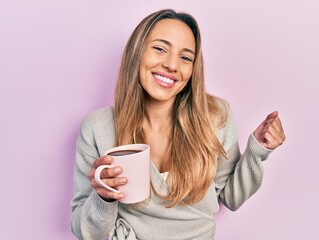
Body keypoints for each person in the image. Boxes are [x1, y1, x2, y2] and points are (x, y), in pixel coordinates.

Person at [70, 9, 286, 240]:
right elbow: (85, 231)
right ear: (137, 52)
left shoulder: (215, 116)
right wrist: (104, 198)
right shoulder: (97, 127)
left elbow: (230, 198)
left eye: (185, 57)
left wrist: (257, 152)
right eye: (160, 49)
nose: (172, 65)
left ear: (193, 70)